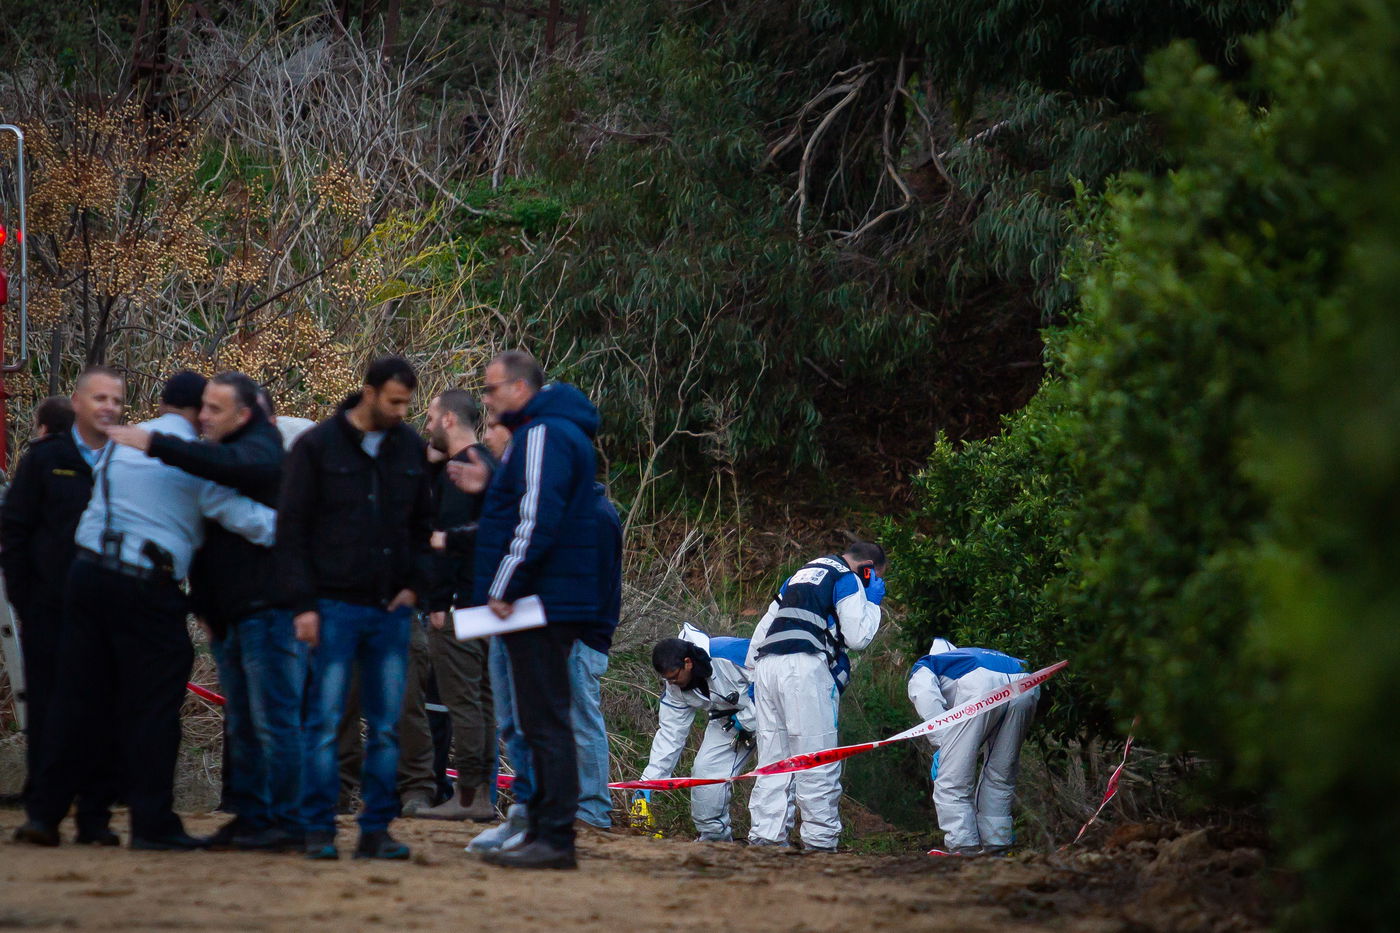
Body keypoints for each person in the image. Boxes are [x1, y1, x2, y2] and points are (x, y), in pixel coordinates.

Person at [16, 371, 278, 851]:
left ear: (159, 402)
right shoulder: (197, 460)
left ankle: (50, 816)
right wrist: (303, 528)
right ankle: (150, 823)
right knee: (151, 710)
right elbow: (247, 520)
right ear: (200, 410)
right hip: (145, 587)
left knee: (79, 704)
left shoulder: (119, 446)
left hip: (87, 575)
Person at [106, 371, 301, 851]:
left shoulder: (261, 446)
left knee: (271, 721)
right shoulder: (219, 456)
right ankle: (253, 817)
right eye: (203, 408)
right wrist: (205, 606)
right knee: (246, 725)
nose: (204, 417)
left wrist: (156, 443)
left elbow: (239, 468)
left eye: (215, 409)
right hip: (230, 612)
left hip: (265, 610)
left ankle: (288, 822)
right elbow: (208, 543)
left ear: (246, 413)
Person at [277, 355, 433, 861]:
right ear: (368, 392)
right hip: (331, 607)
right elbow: (291, 530)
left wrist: (414, 587)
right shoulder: (317, 446)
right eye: (394, 401)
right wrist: (303, 605)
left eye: (408, 403)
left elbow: (423, 525)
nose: (401, 411)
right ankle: (319, 828)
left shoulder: (409, 448)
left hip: (390, 611)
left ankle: (375, 831)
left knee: (386, 727)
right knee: (323, 723)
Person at [458, 350, 600, 870]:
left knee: (543, 721)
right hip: (549, 596)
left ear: (520, 388)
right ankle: (542, 828)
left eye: (491, 390)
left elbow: (536, 516)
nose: (487, 400)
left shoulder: (542, 433)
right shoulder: (557, 432)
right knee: (543, 719)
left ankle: (554, 836)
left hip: (538, 600)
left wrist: (502, 586)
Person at [2, 369, 125, 845]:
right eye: (99, 398)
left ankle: (95, 818)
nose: (109, 407)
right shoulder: (46, 460)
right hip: (50, 608)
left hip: (108, 609)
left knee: (101, 714)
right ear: (77, 403)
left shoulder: (127, 460)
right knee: (52, 713)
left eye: (116, 399)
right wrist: (25, 598)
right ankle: (44, 816)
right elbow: (16, 530)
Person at [744, 541, 887, 852]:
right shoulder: (847, 578)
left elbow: (763, 629)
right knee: (816, 756)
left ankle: (766, 837)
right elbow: (857, 637)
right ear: (868, 570)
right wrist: (872, 603)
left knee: (773, 760)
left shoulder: (799, 575)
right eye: (875, 578)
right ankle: (820, 842)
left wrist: (753, 676)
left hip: (766, 666)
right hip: (803, 667)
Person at [416, 389, 499, 821]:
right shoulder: (489, 467)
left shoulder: (460, 473)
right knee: (482, 701)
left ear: (448, 420)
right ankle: (481, 795)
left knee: (463, 702)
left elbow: (445, 542)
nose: (426, 426)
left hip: (457, 606)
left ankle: (468, 797)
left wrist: (437, 601)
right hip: (488, 603)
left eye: (431, 418)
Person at [906, 638, 1039, 856]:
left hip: (980, 685)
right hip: (1027, 681)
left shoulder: (928, 664)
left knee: (952, 779)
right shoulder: (975, 654)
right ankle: (997, 845)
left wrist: (943, 743)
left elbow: (924, 696)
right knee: (1000, 774)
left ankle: (963, 847)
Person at [639, 623, 757, 841]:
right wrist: (647, 783)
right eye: (667, 679)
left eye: (674, 677)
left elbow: (772, 680)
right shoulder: (674, 687)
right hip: (728, 719)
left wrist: (748, 718)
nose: (671, 683)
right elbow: (670, 734)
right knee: (705, 772)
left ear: (688, 663)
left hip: (774, 710)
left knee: (779, 776)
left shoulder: (728, 653)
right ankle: (715, 839)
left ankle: (774, 842)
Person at [571, 482, 623, 831]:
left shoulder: (595, 515)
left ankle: (592, 810)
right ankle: (579, 805)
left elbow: (591, 583)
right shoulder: (582, 511)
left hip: (581, 636)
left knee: (583, 721)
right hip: (574, 633)